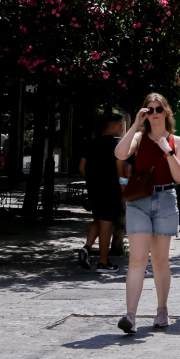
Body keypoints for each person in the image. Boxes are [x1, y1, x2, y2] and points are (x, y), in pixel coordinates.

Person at [114, 93, 180, 334]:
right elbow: (120, 154)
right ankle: (130, 315)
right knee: (137, 259)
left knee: (159, 260)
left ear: (166, 112)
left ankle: (162, 310)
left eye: (158, 109)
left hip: (166, 200)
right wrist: (135, 123)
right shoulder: (138, 137)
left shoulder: (178, 141)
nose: (154, 113)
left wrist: (167, 151)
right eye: (149, 109)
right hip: (140, 200)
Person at [79, 113, 125, 273]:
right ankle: (103, 263)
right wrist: (124, 191)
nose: (121, 128)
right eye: (120, 125)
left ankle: (87, 247)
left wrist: (92, 181)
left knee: (98, 219)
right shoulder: (117, 146)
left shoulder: (91, 143)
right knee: (106, 225)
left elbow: (81, 167)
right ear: (113, 127)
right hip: (110, 190)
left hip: (94, 189)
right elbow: (121, 173)